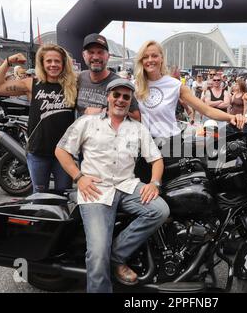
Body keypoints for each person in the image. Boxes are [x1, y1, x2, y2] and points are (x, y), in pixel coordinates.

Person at [55, 78, 169, 293]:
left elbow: (156, 159)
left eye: (126, 97)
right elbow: (61, 150)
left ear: (130, 101)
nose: (121, 100)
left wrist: (154, 183)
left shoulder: (138, 128)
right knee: (97, 252)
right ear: (108, 97)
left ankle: (116, 256)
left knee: (160, 210)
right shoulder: (87, 122)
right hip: (96, 190)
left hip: (127, 186)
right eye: (116, 95)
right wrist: (79, 177)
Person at [133, 40, 245, 181]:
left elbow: (206, 110)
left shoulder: (174, 85)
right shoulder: (135, 86)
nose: (150, 60)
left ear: (161, 58)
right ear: (141, 60)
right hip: (144, 146)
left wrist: (231, 117)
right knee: (146, 192)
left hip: (170, 146)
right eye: (145, 57)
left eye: (154, 56)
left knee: (172, 191)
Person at [0, 44, 77, 193]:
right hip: (38, 152)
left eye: (57, 61)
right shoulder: (32, 84)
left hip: (64, 153)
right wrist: (8, 61)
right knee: (39, 196)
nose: (53, 65)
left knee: (64, 196)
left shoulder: (73, 85)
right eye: (49, 61)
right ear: (42, 63)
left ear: (63, 64)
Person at [77, 33, 140, 121]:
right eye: (91, 52)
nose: (95, 57)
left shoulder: (119, 83)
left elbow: (137, 117)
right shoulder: (79, 78)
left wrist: (103, 111)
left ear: (108, 56)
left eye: (100, 52)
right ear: (84, 56)